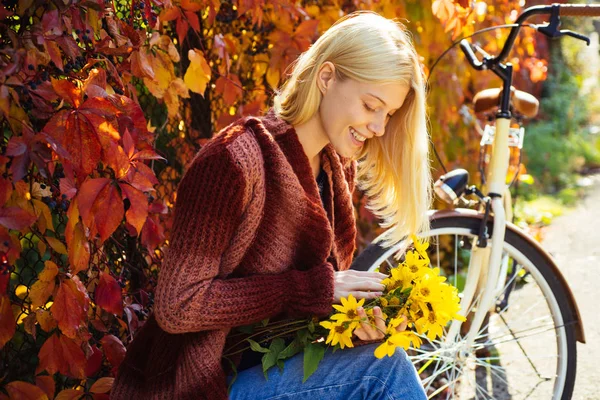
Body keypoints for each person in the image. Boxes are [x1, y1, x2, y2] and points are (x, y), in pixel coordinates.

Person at [112, 10, 431, 400]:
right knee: (383, 373)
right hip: (196, 385)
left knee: (378, 356)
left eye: (389, 114)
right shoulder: (232, 162)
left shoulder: (334, 168)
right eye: (370, 106)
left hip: (270, 369)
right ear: (327, 78)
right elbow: (179, 305)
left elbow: (307, 301)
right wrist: (312, 289)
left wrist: (350, 321)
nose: (380, 127)